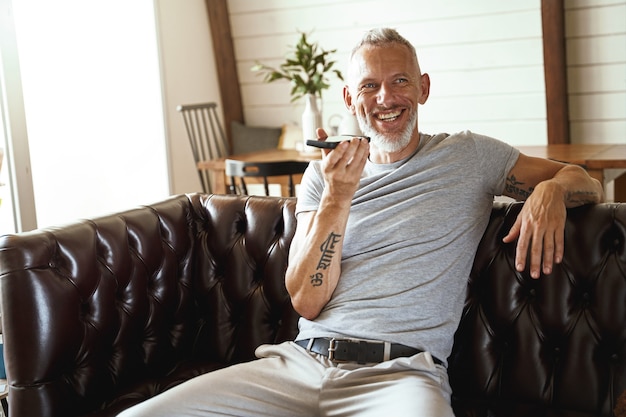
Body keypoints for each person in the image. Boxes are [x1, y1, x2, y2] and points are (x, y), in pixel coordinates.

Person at [119, 27, 603, 417]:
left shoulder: (469, 155)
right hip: (299, 365)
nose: (385, 97)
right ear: (351, 99)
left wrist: (552, 191)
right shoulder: (324, 176)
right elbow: (307, 298)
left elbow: (584, 179)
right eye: (369, 86)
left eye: (399, 81)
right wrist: (338, 196)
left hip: (402, 376)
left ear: (424, 88)